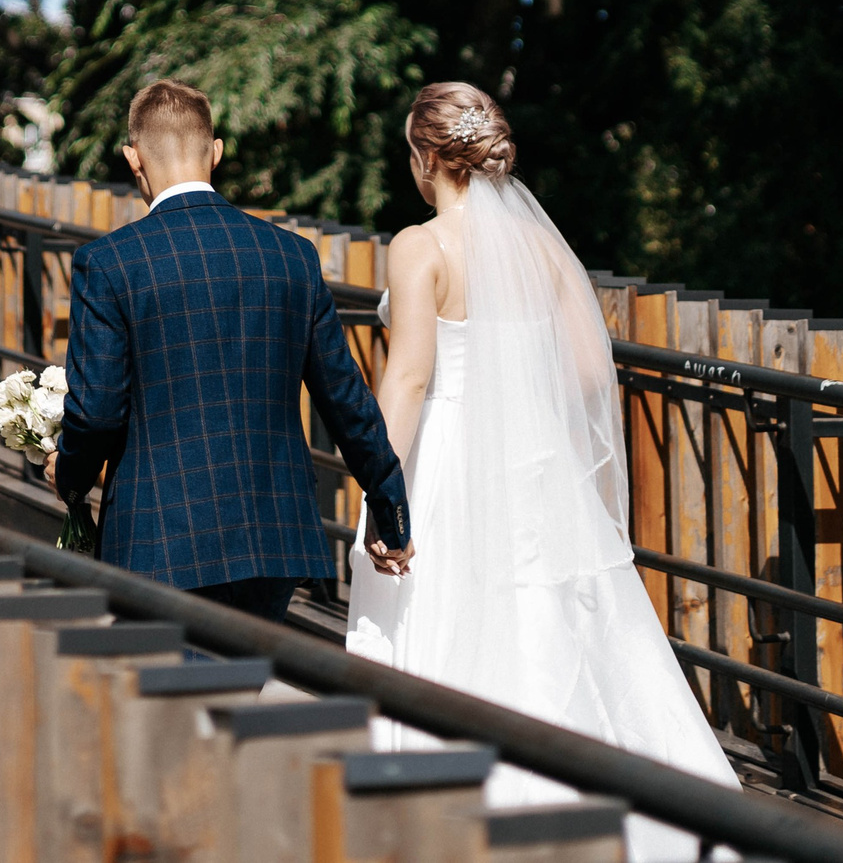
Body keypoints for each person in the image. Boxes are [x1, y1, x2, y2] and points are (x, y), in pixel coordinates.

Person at [345, 81, 740, 852]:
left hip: (450, 461)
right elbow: (592, 372)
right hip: (534, 464)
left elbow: (409, 379)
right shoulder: (540, 246)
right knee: (550, 621)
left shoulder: (419, 246)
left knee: (455, 617)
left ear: (427, 156)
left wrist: (381, 487)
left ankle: (462, 812)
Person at [50, 79, 413, 623]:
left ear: (133, 158)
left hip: (159, 540)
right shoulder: (292, 256)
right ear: (216, 152)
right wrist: (389, 509)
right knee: (234, 702)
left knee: (175, 705)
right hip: (274, 537)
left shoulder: (110, 262)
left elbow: (98, 409)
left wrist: (71, 477)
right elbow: (346, 397)